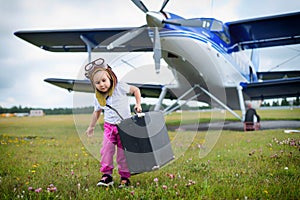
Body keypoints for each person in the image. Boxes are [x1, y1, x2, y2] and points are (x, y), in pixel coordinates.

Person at [85, 58, 142, 188]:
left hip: (124, 127)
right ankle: (107, 176)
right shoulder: (98, 97)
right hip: (109, 127)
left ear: (110, 77)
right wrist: (91, 127)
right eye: (97, 83)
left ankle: (125, 178)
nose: (102, 85)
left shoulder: (120, 87)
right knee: (106, 151)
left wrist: (138, 104)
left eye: (104, 80)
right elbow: (97, 112)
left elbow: (136, 90)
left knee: (123, 154)